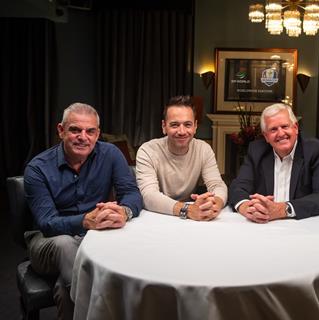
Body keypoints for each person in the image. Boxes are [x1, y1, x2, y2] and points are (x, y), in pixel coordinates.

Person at [24, 103, 142, 320]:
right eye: (75, 130)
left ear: (98, 133)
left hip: (96, 235)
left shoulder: (111, 154)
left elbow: (132, 194)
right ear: (61, 130)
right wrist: (85, 221)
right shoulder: (37, 168)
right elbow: (47, 223)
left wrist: (124, 211)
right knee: (65, 244)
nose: (83, 137)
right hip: (48, 241)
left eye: (90, 131)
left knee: (63, 288)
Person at [228, 103, 319, 223]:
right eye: (273, 129)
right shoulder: (256, 151)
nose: (280, 133)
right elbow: (237, 187)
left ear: (295, 128)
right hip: (263, 225)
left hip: (302, 225)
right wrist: (247, 207)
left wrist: (282, 209)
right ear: (266, 136)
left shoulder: (316, 150)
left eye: (285, 126)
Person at [136, 95, 227, 221]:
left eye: (188, 124)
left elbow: (217, 184)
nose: (182, 131)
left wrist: (215, 203)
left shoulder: (204, 149)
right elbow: (148, 196)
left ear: (195, 126)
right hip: (158, 215)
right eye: (174, 125)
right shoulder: (147, 151)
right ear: (164, 126)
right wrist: (186, 210)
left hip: (190, 214)